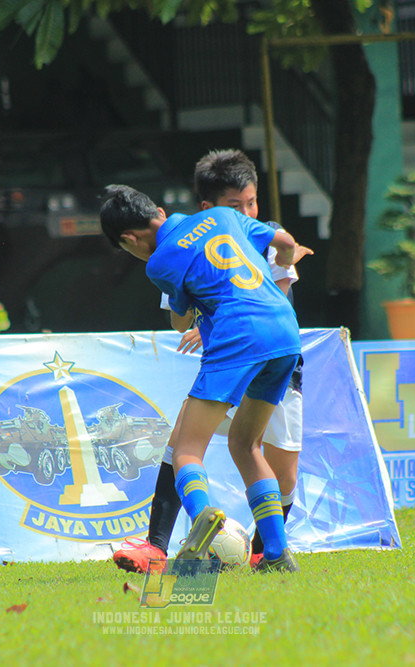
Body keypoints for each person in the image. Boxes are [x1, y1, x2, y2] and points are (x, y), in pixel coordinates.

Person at [99, 183, 312, 573]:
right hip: (285, 333)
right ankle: (278, 555)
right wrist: (283, 254)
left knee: (185, 448)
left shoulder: (159, 262)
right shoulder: (226, 216)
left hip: (238, 336)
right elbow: (283, 241)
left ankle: (203, 523)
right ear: (159, 211)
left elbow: (181, 319)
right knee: (246, 445)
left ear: (129, 239)